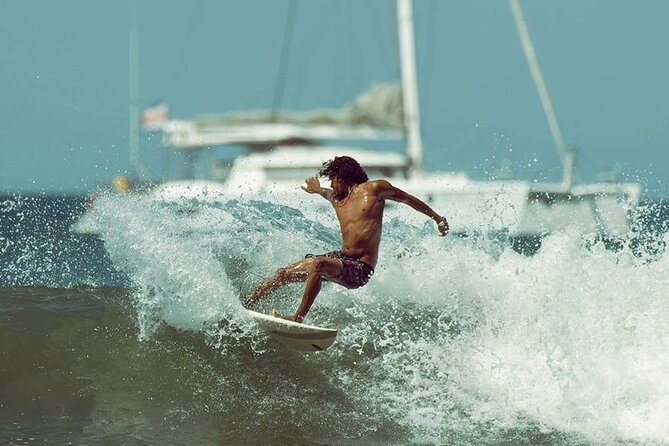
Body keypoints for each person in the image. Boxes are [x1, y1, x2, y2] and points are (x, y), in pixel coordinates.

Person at [243, 156, 448, 323]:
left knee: (319, 263)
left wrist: (437, 218)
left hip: (360, 269)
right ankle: (246, 304)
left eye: (333, 179)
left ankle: (297, 318)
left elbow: (407, 199)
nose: (331, 184)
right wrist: (315, 189)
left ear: (342, 177)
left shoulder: (374, 189)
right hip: (342, 259)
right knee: (283, 274)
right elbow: (326, 192)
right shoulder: (337, 198)